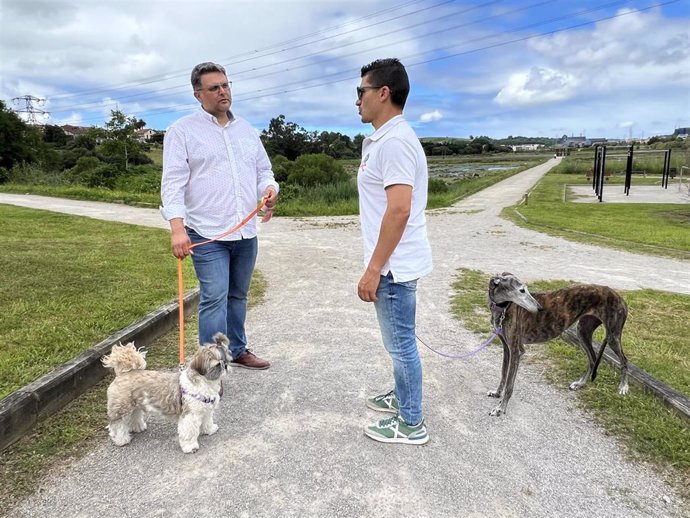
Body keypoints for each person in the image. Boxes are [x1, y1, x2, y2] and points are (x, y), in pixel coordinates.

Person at [160, 62, 278, 370]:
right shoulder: (182, 131)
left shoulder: (247, 131)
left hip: (245, 233)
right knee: (214, 297)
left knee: (238, 296)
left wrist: (269, 189)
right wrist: (177, 229)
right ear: (198, 94)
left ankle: (237, 350)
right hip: (206, 233)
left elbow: (264, 170)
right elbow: (172, 184)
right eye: (214, 88)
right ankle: (209, 366)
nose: (223, 92)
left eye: (225, 85)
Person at [355, 58, 433, 445]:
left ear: (383, 93)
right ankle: (403, 397)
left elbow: (399, 209)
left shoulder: (396, 142)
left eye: (361, 92)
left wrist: (374, 268)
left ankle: (412, 421)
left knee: (401, 343)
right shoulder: (385, 139)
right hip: (392, 262)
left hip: (394, 267)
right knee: (398, 341)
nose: (357, 101)